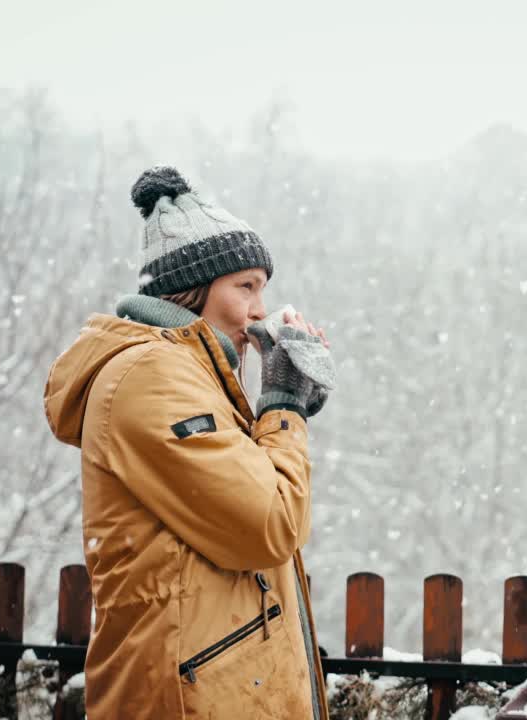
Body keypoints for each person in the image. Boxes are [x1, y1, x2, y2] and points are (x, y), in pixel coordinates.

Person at [44, 166, 336, 719]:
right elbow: (268, 524)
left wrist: (294, 407)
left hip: (214, 690)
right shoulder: (151, 376)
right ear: (193, 289)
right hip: (187, 700)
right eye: (244, 287)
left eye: (263, 289)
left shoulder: (191, 376)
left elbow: (233, 503)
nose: (258, 310)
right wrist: (283, 406)